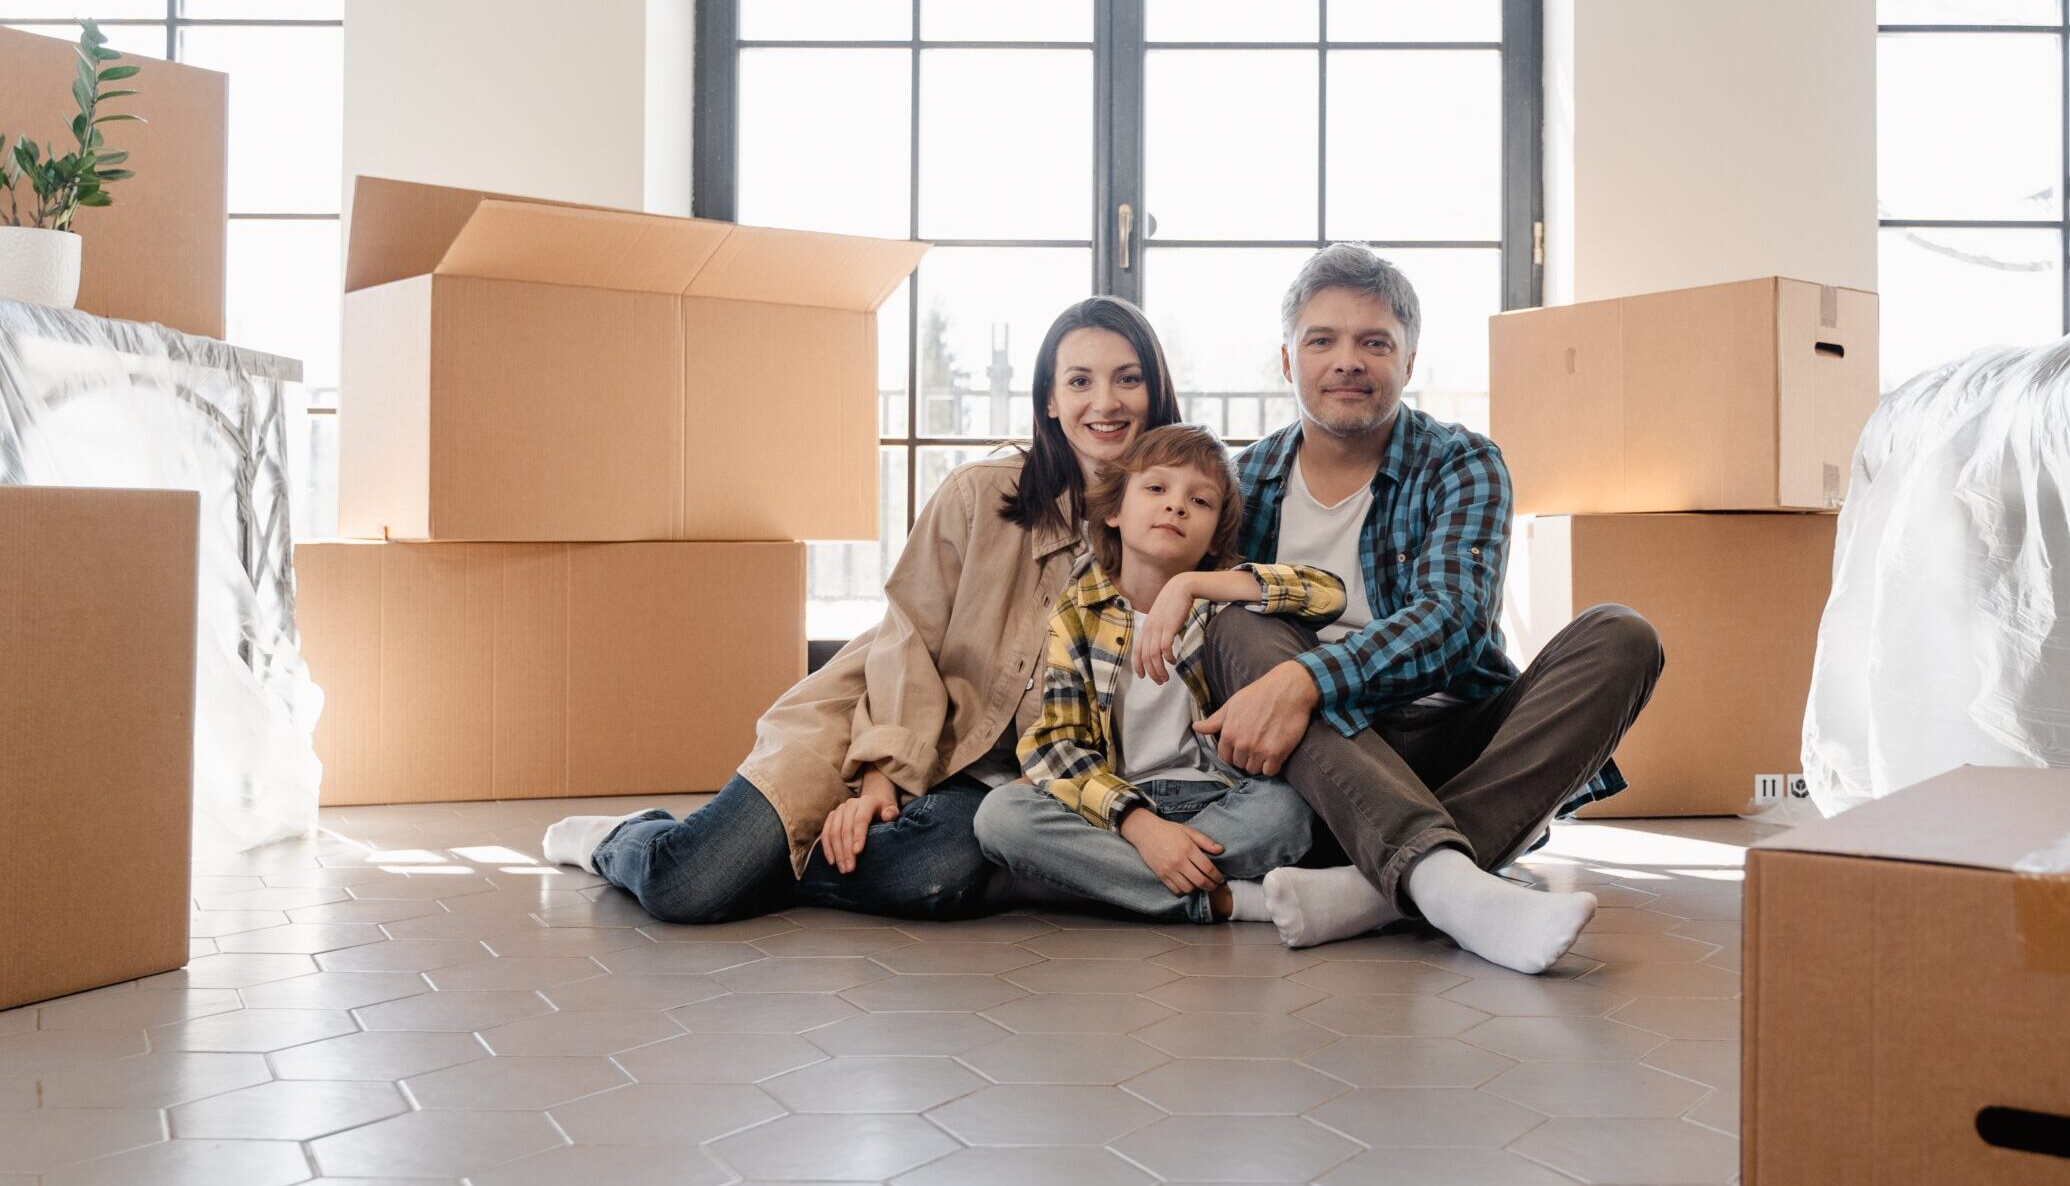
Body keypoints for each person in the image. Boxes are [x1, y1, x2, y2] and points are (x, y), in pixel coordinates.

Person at [538, 296, 1184, 923]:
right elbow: (909, 638)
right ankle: (622, 838)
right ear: (1050, 399)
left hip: (983, 783)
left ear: (1154, 391)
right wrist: (882, 777)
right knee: (687, 886)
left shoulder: (1178, 520)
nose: (1106, 403)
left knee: (934, 875)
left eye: (1127, 380)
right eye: (1080, 381)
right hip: (869, 721)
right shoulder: (978, 496)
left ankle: (771, 866)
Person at [1197, 243, 1665, 974]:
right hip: (1321, 758)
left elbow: (1453, 622)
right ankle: (1451, 883)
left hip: (1454, 731)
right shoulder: (1239, 482)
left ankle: (1378, 888)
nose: (1348, 360)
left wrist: (1308, 679)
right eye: (1322, 340)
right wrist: (1293, 686)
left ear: (1408, 363)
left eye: (1374, 342)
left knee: (1623, 636)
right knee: (1234, 621)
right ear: (1288, 362)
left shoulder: (1461, 462)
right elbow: (1215, 647)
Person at [973, 424, 1343, 925]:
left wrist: (1191, 585)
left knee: (1288, 810)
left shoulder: (1218, 602)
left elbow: (1328, 593)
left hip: (1220, 799)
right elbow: (1054, 743)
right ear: (1113, 511)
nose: (1176, 506)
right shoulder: (1076, 611)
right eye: (1156, 488)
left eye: (1200, 501)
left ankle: (1108, 883)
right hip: (1117, 806)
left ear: (1215, 538)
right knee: (1002, 816)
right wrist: (1141, 826)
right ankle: (1226, 899)